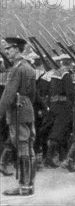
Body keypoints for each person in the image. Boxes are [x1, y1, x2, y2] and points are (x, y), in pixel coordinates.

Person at [0, 38, 36, 196]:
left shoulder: (16, 69)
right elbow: (33, 94)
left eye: (9, 48)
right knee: (29, 147)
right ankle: (29, 185)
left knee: (22, 147)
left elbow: (8, 95)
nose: (7, 51)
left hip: (17, 110)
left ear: (17, 49)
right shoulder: (29, 67)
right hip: (27, 109)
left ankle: (24, 186)